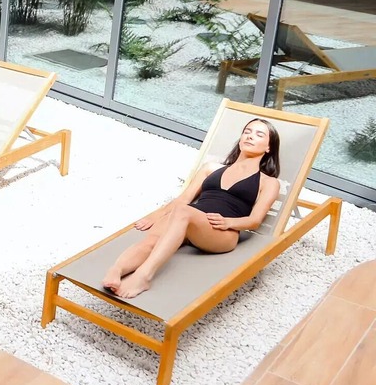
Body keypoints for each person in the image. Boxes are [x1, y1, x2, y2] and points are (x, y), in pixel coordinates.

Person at [103, 119, 282, 299]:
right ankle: (116, 270)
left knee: (183, 211)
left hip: (222, 232)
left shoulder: (268, 182)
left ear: (268, 148)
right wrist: (156, 215)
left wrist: (228, 222)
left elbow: (255, 220)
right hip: (191, 220)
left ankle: (144, 276)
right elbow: (183, 199)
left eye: (259, 134)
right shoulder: (211, 168)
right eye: (247, 131)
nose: (250, 136)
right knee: (151, 240)